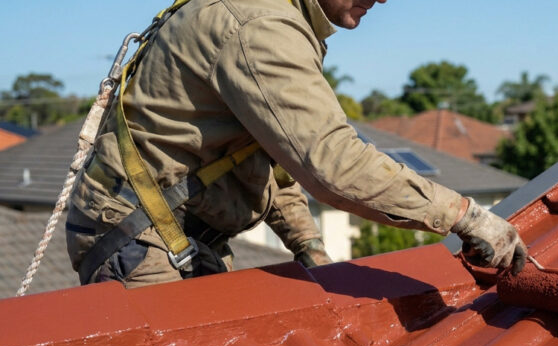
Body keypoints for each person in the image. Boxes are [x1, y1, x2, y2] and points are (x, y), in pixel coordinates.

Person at [66, 0, 526, 287]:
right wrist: (465, 216)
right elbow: (333, 165)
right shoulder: (261, 27)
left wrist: (307, 246)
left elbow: (269, 153)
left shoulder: (277, 17)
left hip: (171, 228)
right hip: (136, 235)